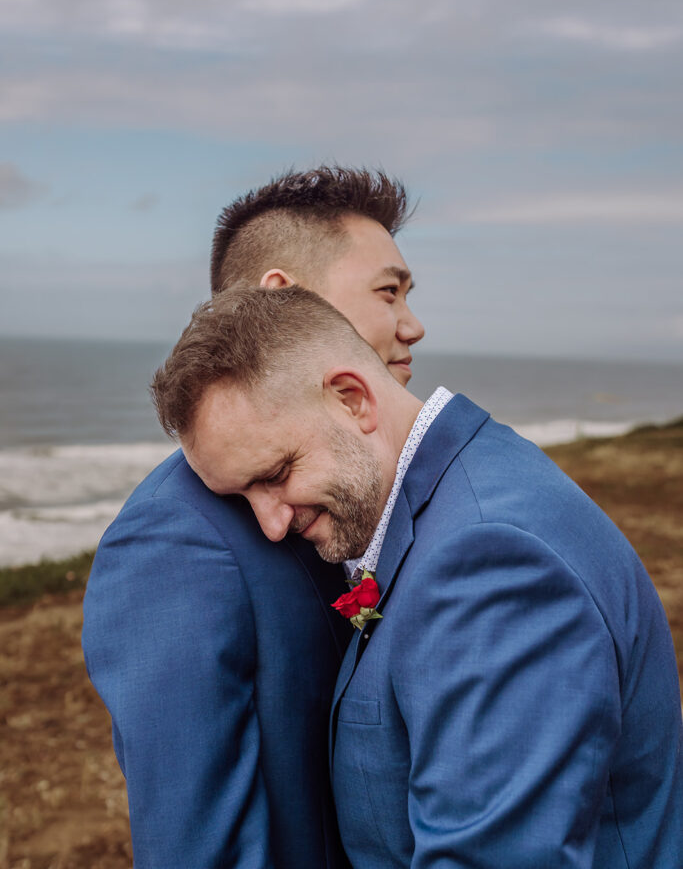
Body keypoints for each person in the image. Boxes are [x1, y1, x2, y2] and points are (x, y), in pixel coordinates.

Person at [152, 284, 683, 869]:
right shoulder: (461, 493)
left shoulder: (489, 565)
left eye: (276, 473)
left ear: (352, 400)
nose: (271, 524)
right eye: (242, 496)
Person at [82, 167, 425, 869]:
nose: (411, 324)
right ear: (284, 298)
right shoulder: (173, 540)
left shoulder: (344, 488)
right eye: (387, 292)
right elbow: (194, 843)